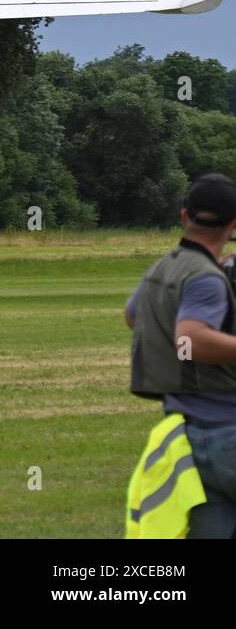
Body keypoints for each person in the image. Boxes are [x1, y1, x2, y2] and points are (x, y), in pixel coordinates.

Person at [126, 172, 236, 537]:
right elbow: (190, 339)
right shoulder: (206, 277)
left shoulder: (164, 267)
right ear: (233, 225)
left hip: (189, 435)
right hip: (228, 430)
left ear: (184, 215)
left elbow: (132, 314)